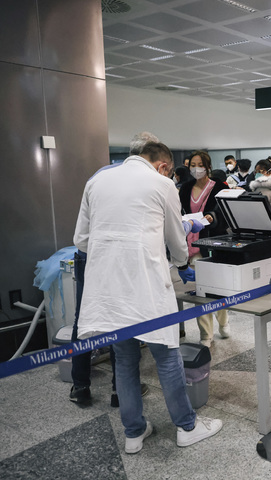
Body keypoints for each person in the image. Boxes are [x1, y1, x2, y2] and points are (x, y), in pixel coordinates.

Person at [73, 142, 222, 453]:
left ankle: (134, 433)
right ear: (163, 165)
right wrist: (181, 261)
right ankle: (187, 426)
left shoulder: (96, 181)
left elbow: (81, 240)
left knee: (125, 360)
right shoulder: (162, 183)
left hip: (108, 290)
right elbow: (176, 241)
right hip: (146, 287)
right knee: (167, 356)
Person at [69, 131, 159, 407]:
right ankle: (120, 390)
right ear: (150, 155)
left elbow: (81, 237)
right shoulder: (149, 180)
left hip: (91, 257)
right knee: (126, 318)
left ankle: (80, 386)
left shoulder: (99, 176)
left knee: (83, 319)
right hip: (124, 258)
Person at [179, 151, 229, 347]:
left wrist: (211, 217)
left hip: (213, 241)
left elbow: (223, 213)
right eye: (192, 164)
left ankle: (224, 321)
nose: (196, 168)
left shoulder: (219, 187)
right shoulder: (185, 188)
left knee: (218, 287)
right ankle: (206, 334)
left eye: (200, 164)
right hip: (192, 244)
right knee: (201, 291)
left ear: (208, 167)